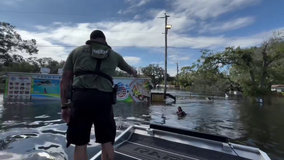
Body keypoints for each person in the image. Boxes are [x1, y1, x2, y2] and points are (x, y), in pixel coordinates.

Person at [60, 30, 137, 160]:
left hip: (81, 98)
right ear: (104, 40)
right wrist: (134, 72)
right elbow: (130, 70)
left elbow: (65, 80)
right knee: (107, 141)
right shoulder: (114, 55)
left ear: (90, 39)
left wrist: (64, 107)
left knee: (80, 143)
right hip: (104, 100)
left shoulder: (77, 52)